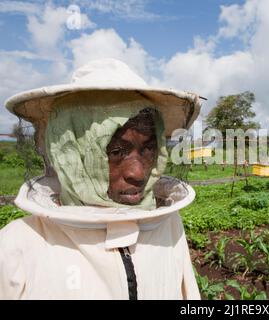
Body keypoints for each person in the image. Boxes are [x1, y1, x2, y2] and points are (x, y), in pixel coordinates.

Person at [0, 58, 202, 299]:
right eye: (116, 152)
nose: (138, 173)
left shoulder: (168, 224)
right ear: (71, 154)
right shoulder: (16, 247)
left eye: (148, 149)